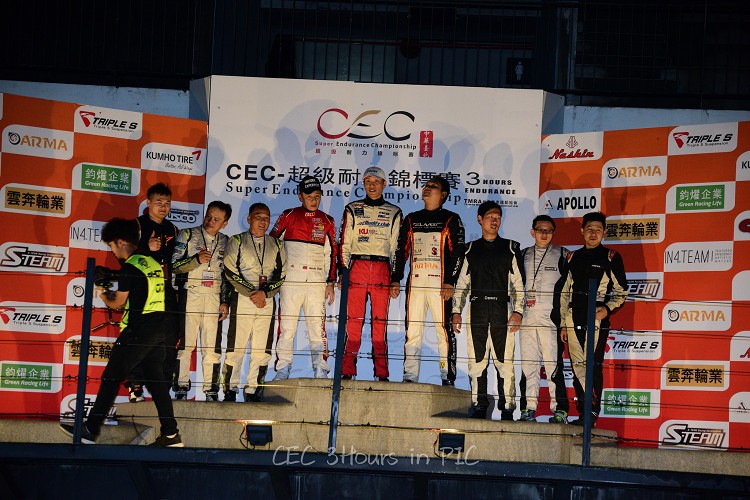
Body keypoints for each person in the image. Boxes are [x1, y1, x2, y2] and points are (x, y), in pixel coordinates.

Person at [60, 218, 183, 446]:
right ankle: (171, 434)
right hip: (161, 328)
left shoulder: (130, 265)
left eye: (111, 245)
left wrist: (103, 293)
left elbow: (118, 303)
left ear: (120, 242)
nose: (112, 251)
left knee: (111, 376)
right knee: (156, 382)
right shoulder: (151, 262)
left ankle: (90, 430)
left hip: (139, 330)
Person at [451, 201, 524, 420]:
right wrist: (456, 311)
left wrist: (518, 312)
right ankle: (479, 406)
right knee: (477, 361)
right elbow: (461, 285)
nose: (494, 221)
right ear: (480, 219)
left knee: (505, 362)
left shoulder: (510, 248)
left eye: (498, 217)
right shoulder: (470, 250)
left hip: (503, 310)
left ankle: (508, 408)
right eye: (490, 216)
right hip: (478, 310)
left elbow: (519, 285)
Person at [392, 176, 464, 385]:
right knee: (412, 331)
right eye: (426, 185)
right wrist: (396, 278)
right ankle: (410, 376)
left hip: (440, 284)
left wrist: (450, 281)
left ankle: (447, 376)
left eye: (433, 186)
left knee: (443, 331)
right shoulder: (411, 219)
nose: (427, 188)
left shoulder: (451, 219)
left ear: (443, 194)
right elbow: (401, 250)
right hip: (415, 283)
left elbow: (458, 252)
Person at [558, 211, 628, 427]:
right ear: (582, 231)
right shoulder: (572, 257)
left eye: (598, 229)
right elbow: (564, 293)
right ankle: (583, 413)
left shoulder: (611, 257)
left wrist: (607, 308)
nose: (593, 233)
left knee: (593, 365)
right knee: (577, 365)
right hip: (573, 317)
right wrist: (563, 323)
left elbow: (622, 291)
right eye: (589, 229)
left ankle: (592, 414)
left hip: (596, 319)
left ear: (604, 232)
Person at [270, 176, 337, 380]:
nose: (313, 200)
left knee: (317, 327)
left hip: (316, 279)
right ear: (300, 196)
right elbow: (272, 245)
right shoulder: (288, 215)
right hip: (292, 277)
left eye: (317, 196)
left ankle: (321, 369)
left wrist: (330, 282)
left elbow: (331, 253)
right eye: (309, 196)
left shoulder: (327, 220)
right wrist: (275, 277)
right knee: (287, 326)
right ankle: (283, 368)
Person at [338, 166, 402, 381]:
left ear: (384, 184)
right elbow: (344, 243)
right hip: (357, 268)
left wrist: (395, 278)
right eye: (368, 181)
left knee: (379, 325)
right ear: (363, 184)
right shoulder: (352, 208)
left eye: (376, 181)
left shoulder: (394, 212)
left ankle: (381, 374)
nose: (372, 186)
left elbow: (396, 249)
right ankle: (347, 371)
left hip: (382, 269)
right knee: (353, 322)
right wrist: (343, 272)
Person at [222, 203, 286, 402]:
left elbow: (282, 274)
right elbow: (230, 271)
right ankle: (230, 389)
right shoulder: (236, 240)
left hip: (266, 300)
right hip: (243, 298)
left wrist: (264, 293)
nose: (263, 221)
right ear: (249, 218)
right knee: (236, 347)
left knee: (262, 350)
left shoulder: (277, 244)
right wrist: (253, 293)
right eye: (258, 216)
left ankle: (253, 389)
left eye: (267, 217)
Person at [172, 201, 233, 401]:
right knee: (185, 345)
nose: (210, 221)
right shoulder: (188, 234)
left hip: (213, 297)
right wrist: (196, 260)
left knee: (211, 347)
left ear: (224, 223)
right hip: (191, 293)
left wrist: (225, 301)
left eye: (216, 219)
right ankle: (181, 387)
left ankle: (211, 390)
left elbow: (227, 275)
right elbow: (174, 265)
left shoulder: (226, 241)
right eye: (209, 216)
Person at [127, 182, 180, 402]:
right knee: (140, 336)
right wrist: (146, 249)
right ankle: (135, 385)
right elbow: (124, 256)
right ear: (148, 203)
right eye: (159, 202)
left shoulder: (173, 229)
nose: (163, 206)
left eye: (167, 202)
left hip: (166, 287)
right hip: (143, 287)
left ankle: (162, 386)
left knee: (169, 337)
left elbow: (177, 261)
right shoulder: (136, 225)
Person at [518, 215, 570, 423]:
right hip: (527, 318)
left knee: (553, 366)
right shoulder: (522, 255)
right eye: (540, 230)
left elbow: (570, 289)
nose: (544, 234)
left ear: (553, 233)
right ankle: (527, 409)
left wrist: (564, 320)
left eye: (548, 230)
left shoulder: (563, 254)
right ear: (532, 232)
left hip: (551, 319)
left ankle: (560, 411)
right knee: (528, 366)